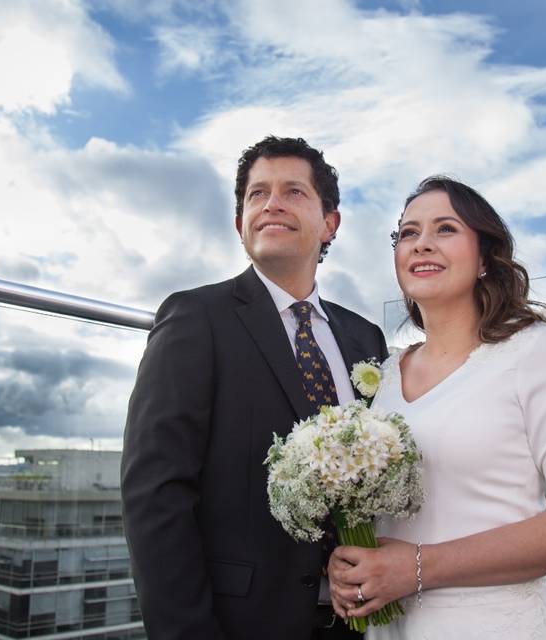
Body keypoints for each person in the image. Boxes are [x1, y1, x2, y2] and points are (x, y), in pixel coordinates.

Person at [328, 176, 546, 639]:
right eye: (408, 233)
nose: (422, 244)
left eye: (445, 229)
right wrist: (352, 564)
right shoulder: (383, 376)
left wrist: (419, 567)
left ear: (484, 257)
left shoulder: (532, 352)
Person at [121, 136, 389, 640]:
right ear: (240, 223)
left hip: (366, 621)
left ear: (330, 222)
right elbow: (155, 495)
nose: (272, 204)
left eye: (293, 192)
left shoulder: (365, 336)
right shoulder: (195, 318)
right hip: (243, 623)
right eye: (256, 194)